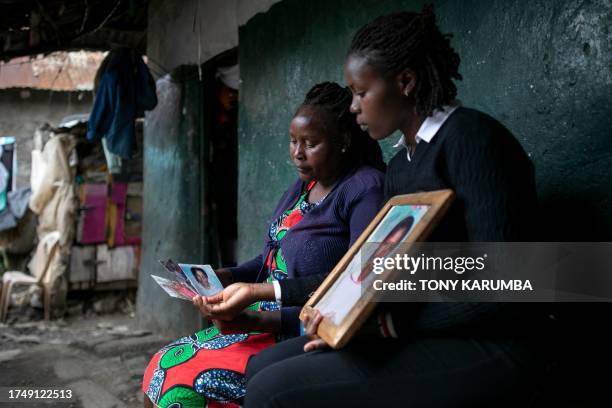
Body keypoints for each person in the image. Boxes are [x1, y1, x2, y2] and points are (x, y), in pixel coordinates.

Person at [243, 7, 556, 408]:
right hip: (426, 330)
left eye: (361, 93)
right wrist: (332, 312)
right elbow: (377, 273)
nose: (353, 107)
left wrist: (386, 326)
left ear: (405, 82)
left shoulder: (471, 140)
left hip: (496, 343)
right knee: (262, 367)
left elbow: (506, 286)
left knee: (274, 391)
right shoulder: (402, 166)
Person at [141, 82, 386, 408]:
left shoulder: (364, 188)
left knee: (181, 383)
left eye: (310, 144)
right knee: (161, 364)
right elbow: (271, 259)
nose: (297, 153)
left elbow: (355, 283)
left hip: (303, 328)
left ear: (343, 141)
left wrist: (256, 299)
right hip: (260, 319)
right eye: (293, 141)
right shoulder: (303, 187)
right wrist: (224, 277)